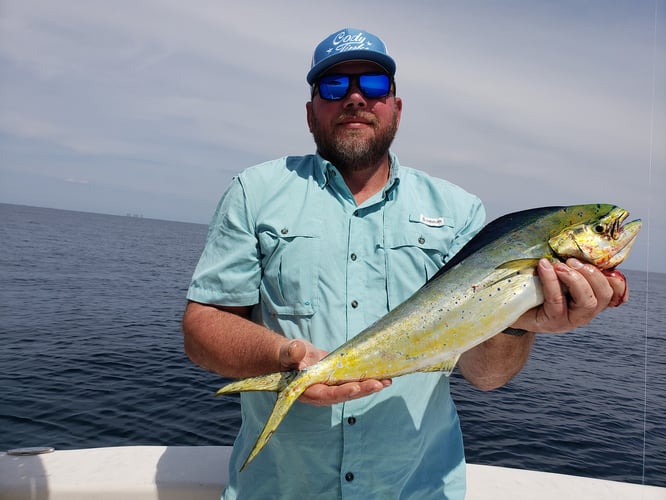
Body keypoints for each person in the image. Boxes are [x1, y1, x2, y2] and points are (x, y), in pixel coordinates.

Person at [182, 28, 628, 499]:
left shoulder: (460, 212)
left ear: (396, 107)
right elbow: (202, 328)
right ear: (311, 113)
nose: (355, 97)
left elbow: (487, 376)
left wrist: (518, 323)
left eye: (373, 86)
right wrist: (283, 358)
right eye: (334, 87)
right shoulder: (255, 192)